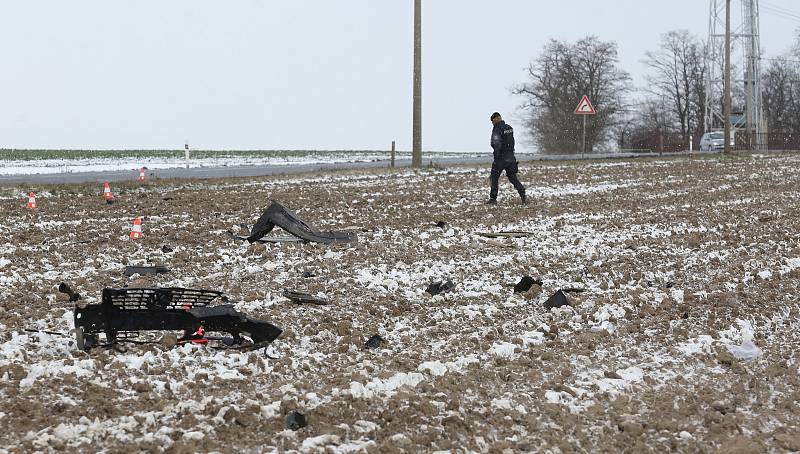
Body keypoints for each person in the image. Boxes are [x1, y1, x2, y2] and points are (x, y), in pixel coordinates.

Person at [487, 112, 526, 205]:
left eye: (492, 121)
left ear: (495, 119)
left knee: (494, 177)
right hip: (511, 157)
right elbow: (512, 142)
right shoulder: (509, 128)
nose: (492, 123)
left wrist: (496, 157)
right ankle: (522, 193)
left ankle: (493, 199)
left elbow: (496, 143)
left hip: (501, 158)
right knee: (513, 178)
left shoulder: (497, 129)